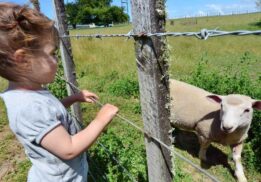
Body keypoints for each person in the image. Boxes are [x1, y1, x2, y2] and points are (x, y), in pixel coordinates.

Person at [0, 3, 118, 182]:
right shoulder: (28, 106)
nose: (57, 60)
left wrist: (74, 98)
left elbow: (49, 113)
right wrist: (101, 119)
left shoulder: (30, 93)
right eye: (52, 53)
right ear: (23, 59)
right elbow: (69, 148)